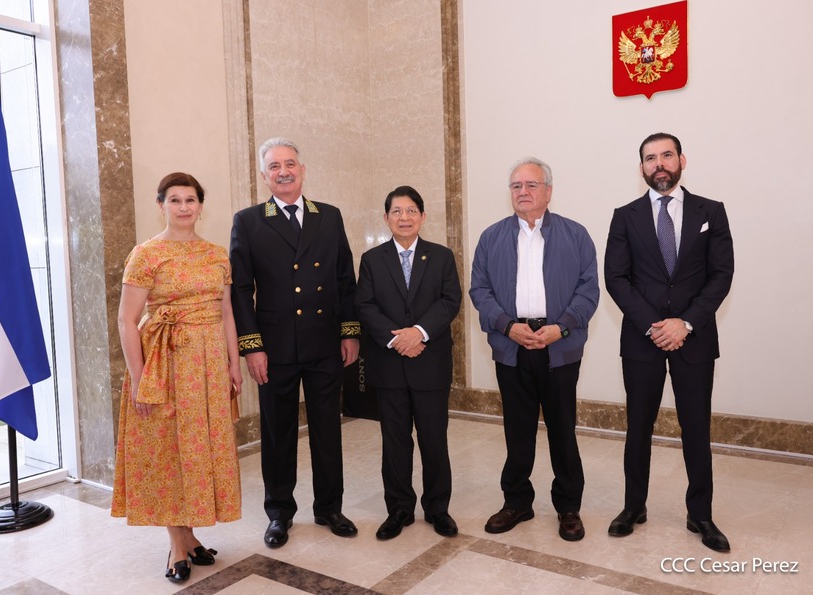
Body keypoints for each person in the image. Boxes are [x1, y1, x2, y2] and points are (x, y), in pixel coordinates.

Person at [604, 132, 734, 552]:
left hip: (694, 338)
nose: (658, 164)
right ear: (641, 167)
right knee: (638, 426)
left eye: (666, 155)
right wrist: (655, 325)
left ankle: (701, 514)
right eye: (649, 158)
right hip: (642, 339)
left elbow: (721, 275)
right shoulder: (624, 216)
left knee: (696, 427)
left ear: (682, 160)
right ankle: (633, 507)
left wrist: (686, 324)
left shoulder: (710, 211)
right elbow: (616, 278)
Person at [112, 172, 243, 583]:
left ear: (201, 206)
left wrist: (233, 362)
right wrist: (139, 379)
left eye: (190, 200)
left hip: (209, 364)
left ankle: (189, 535)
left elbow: (226, 313)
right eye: (175, 200)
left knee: (199, 448)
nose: (184, 207)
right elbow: (126, 320)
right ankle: (176, 544)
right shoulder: (146, 254)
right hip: (165, 363)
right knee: (170, 450)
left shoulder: (217, 254)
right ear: (161, 205)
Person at [230, 137, 360, 548]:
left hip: (324, 344)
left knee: (328, 430)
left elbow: (345, 278)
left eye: (290, 164)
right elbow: (240, 290)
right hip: (275, 349)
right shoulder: (249, 221)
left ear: (302, 170)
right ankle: (279, 512)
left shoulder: (329, 216)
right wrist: (252, 346)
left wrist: (349, 332)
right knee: (277, 434)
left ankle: (329, 507)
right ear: (264, 176)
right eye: (274, 166)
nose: (283, 171)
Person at [469, 158, 599, 542]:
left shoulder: (576, 235)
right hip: (512, 344)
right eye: (516, 186)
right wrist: (508, 326)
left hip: (559, 345)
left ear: (548, 191)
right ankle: (517, 502)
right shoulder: (491, 238)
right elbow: (480, 290)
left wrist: (561, 327)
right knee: (517, 429)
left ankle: (568, 507)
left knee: (562, 430)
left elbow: (589, 289)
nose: (522, 192)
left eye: (531, 185)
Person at [356, 186, 462, 540]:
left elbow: (450, 301)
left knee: (434, 440)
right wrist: (397, 340)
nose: (404, 217)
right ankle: (399, 508)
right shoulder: (372, 259)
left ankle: (437, 508)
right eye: (397, 212)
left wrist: (418, 333)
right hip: (389, 365)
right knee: (395, 442)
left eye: (411, 211)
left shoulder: (441, 256)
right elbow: (365, 306)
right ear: (386, 218)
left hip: (430, 363)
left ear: (423, 216)